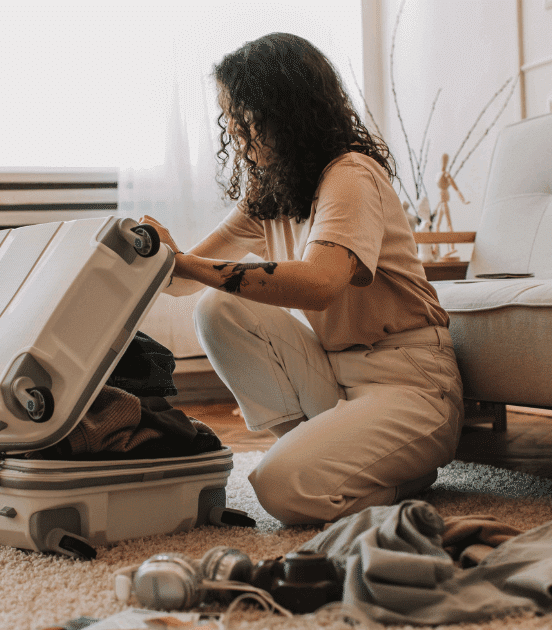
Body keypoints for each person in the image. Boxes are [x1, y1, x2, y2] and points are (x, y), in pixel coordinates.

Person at [140, 32, 464, 526]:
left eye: (241, 114)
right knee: (217, 305)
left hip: (410, 381)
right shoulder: (271, 195)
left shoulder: (351, 174)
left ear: (283, 111)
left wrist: (185, 264)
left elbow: (320, 282)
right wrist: (151, 254)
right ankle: (319, 451)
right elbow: (185, 281)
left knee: (281, 490)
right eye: (227, 115)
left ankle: (398, 478)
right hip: (333, 374)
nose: (233, 128)